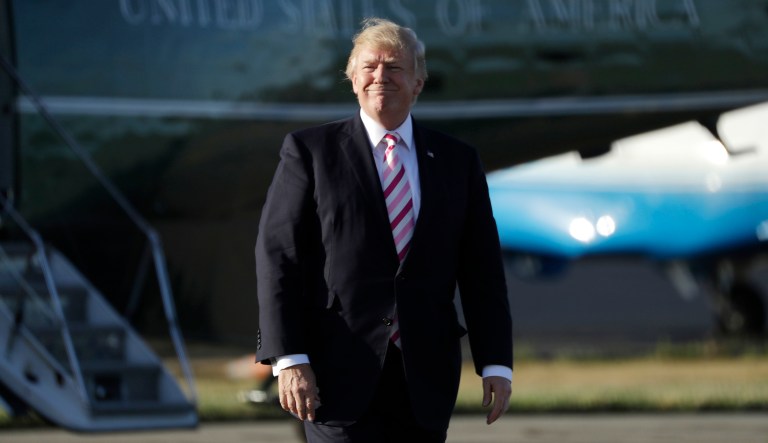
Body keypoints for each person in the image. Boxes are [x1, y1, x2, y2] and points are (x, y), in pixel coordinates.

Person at [255, 17, 513, 442]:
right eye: (370, 66)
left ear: (418, 82)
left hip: (425, 380)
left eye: (395, 68)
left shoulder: (456, 161)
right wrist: (289, 357)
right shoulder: (309, 152)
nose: (381, 77)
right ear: (353, 78)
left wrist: (496, 363)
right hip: (335, 376)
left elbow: (482, 270)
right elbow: (279, 258)